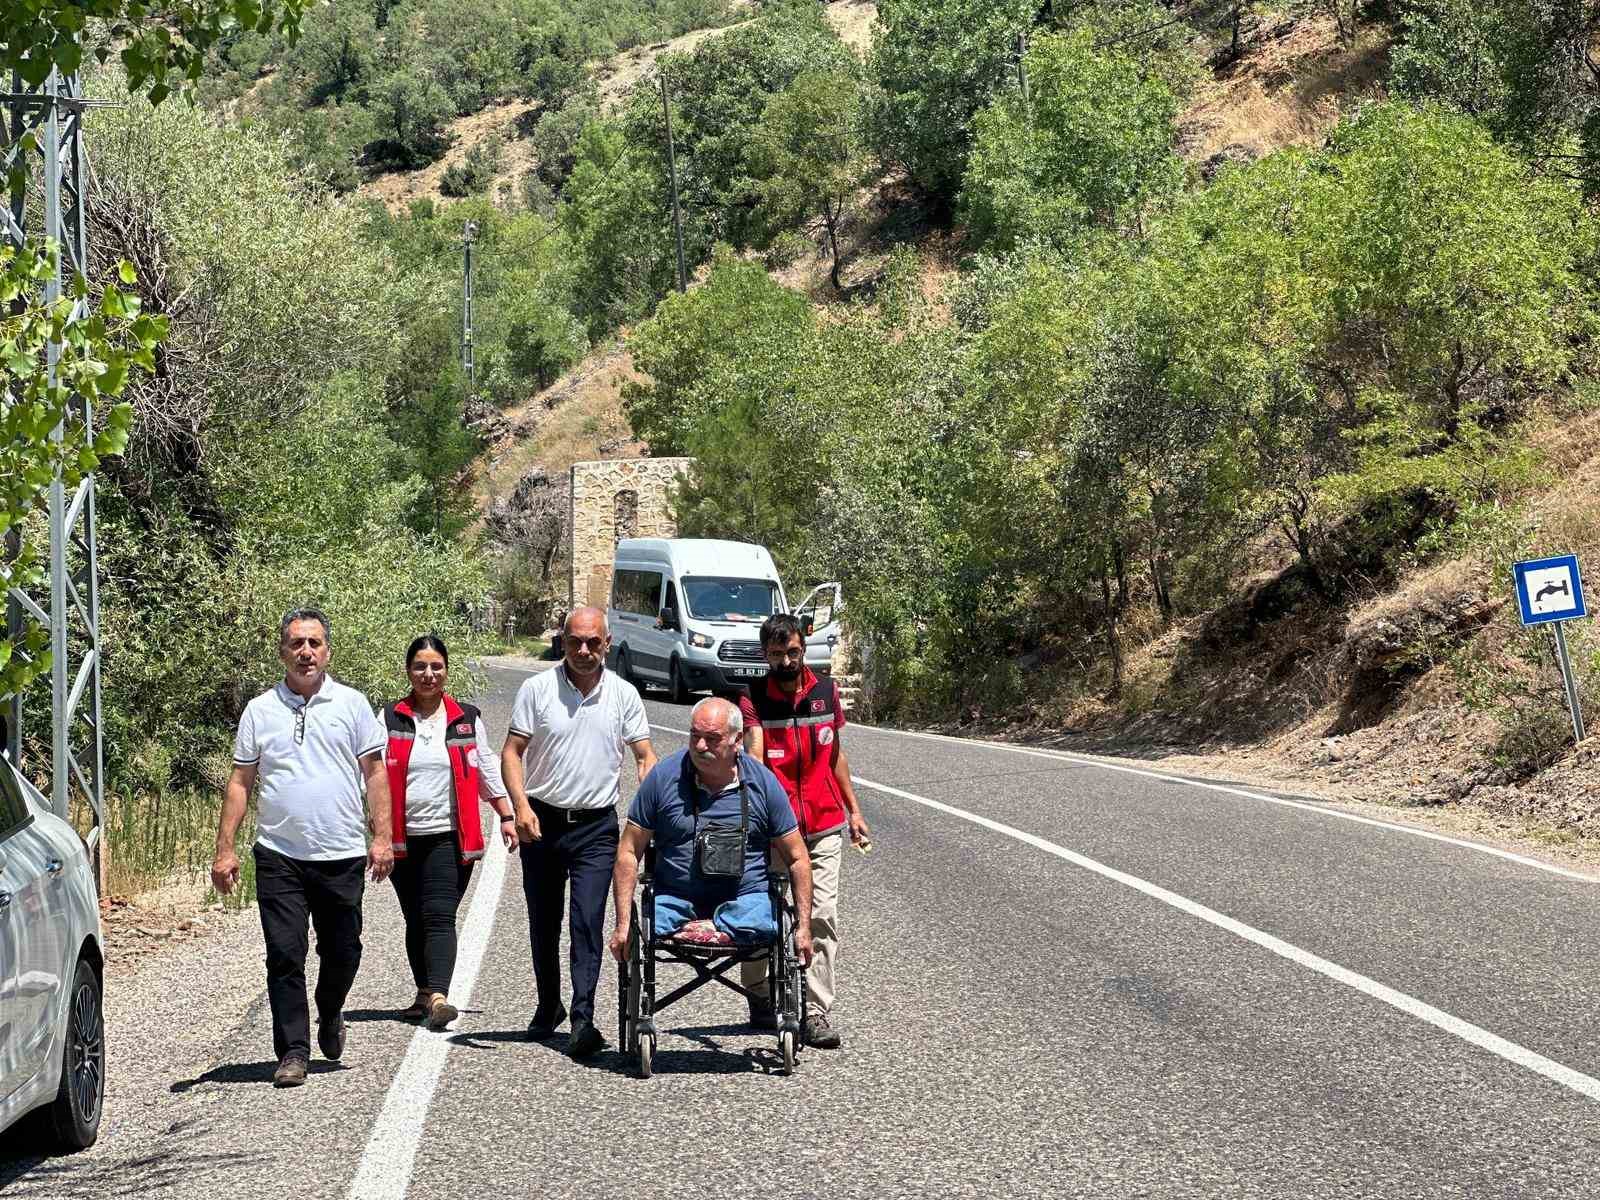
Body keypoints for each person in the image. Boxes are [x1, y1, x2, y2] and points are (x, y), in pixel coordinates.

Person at [212, 608, 393, 1088]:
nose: (305, 652)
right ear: (282, 652)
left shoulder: (353, 706)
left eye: (314, 643)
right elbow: (240, 781)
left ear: (327, 650)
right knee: (284, 954)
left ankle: (330, 1010)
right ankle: (293, 1050)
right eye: (296, 644)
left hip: (340, 854)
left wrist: (382, 836)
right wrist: (224, 848)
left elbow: (376, 774)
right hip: (279, 854)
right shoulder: (260, 710)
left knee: (344, 951)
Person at [501, 606, 657, 1059]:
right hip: (542, 822)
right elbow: (511, 753)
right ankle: (549, 1003)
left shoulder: (625, 695)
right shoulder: (536, 690)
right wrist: (520, 807)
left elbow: (644, 757)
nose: (584, 651)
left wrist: (643, 814)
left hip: (597, 828)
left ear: (607, 644)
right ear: (562, 643)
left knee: (588, 921)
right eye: (575, 642)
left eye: (593, 642)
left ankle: (583, 1016)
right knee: (543, 923)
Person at [737, 612, 871, 1050]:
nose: (787, 661)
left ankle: (815, 1010)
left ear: (803, 646)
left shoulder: (827, 693)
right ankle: (759, 994)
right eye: (777, 655)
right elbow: (755, 757)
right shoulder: (754, 697)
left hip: (824, 821)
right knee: (764, 913)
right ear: (765, 654)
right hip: (777, 829)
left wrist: (853, 811)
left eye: (793, 652)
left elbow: (836, 757)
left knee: (820, 916)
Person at [609, 697, 812, 970]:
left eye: (712, 738)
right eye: (695, 736)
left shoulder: (763, 783)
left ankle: (719, 922)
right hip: (678, 899)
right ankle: (717, 924)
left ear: (737, 739)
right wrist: (622, 925)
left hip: (744, 900)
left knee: (766, 916)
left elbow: (798, 857)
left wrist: (804, 928)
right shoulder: (662, 778)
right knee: (653, 920)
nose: (700, 746)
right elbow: (629, 851)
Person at [380, 635, 515, 1032]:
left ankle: (439, 996)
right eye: (420, 666)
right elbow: (369, 776)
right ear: (408, 671)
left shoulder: (465, 717)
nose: (428, 674)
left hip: (449, 835)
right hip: (403, 836)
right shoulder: (389, 717)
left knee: (439, 915)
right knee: (415, 918)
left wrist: (505, 812)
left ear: (446, 671)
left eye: (436, 666)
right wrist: (374, 832)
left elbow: (485, 770)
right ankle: (424, 992)